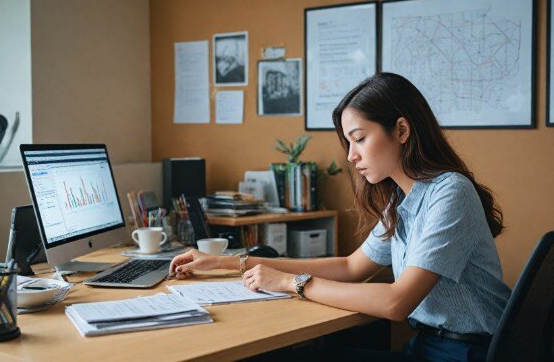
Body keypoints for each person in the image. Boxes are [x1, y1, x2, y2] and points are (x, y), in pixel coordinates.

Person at [170, 72, 511, 361]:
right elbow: (351, 267)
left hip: (465, 352)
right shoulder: (401, 198)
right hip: (426, 345)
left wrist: (291, 283)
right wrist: (226, 263)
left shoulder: (449, 192)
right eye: (348, 143)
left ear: (402, 131)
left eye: (359, 139)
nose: (351, 156)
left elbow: (396, 302)